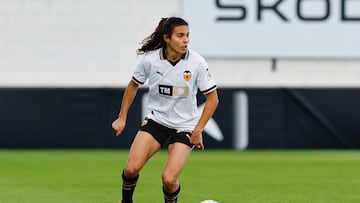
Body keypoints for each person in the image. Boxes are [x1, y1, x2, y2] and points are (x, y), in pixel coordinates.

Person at [112, 16, 219, 203]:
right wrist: (122, 118)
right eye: (180, 36)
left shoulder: (197, 63)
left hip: (185, 126)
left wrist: (198, 129)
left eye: (187, 35)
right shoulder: (151, 60)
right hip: (156, 121)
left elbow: (213, 99)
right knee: (130, 169)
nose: (185, 40)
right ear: (166, 38)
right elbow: (132, 86)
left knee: (169, 180)